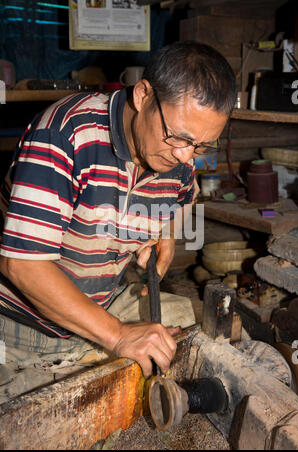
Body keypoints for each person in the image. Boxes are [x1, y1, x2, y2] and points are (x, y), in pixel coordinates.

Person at [0, 41, 237, 403]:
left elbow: (184, 196)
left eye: (203, 146)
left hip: (103, 305)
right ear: (143, 95)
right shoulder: (65, 136)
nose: (186, 156)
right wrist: (117, 336)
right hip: (22, 327)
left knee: (220, 336)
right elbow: (22, 266)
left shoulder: (180, 158)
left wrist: (164, 234)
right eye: (178, 137)